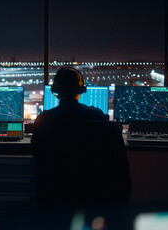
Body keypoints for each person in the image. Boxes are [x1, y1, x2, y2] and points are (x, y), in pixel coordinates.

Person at [31, 66, 130, 210]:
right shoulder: (98, 117)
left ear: (55, 90)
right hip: (91, 193)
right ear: (82, 90)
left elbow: (36, 151)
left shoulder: (44, 119)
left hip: (55, 195)